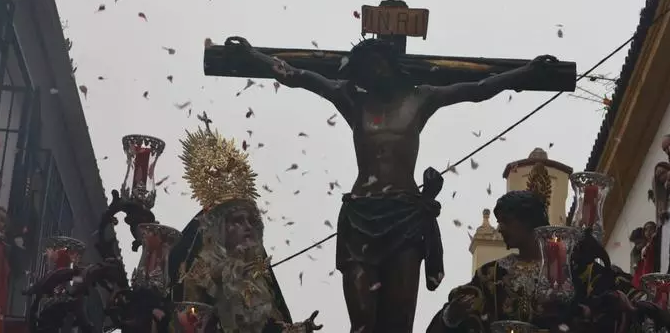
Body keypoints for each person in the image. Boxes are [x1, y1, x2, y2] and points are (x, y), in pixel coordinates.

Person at [225, 33, 561, 333]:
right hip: (360, 215)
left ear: (390, 63)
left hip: (404, 216)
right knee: (362, 323)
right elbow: (298, 76)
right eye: (366, 68)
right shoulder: (353, 100)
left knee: (399, 322)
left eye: (379, 64)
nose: (375, 73)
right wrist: (255, 56)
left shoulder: (420, 98)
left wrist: (524, 73)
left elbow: (477, 89)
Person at [168, 127, 321, 333]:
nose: (247, 226)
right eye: (237, 221)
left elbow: (269, 326)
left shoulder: (257, 278)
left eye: (251, 221)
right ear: (219, 229)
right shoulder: (200, 273)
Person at [425, 190, 559, 332]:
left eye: (506, 221)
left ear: (528, 221)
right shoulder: (490, 274)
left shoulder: (563, 271)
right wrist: (451, 316)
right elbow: (467, 317)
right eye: (499, 222)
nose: (500, 229)